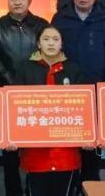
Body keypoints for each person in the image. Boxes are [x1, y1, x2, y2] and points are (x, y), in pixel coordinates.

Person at [50, 0, 105, 189]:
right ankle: (70, 187)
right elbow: (52, 52)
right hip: (67, 92)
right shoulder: (60, 19)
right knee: (68, 142)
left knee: (91, 146)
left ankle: (90, 186)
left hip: (95, 91)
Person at [0, 0, 48, 196]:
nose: (17, 2)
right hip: (7, 92)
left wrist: (30, 80)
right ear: (7, 0)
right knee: (10, 150)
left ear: (30, 0)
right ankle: (12, 191)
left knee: (34, 146)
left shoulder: (41, 24)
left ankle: (32, 189)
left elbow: (47, 53)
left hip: (35, 92)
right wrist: (11, 80)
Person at [13, 25, 84, 196]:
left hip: (66, 149)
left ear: (62, 43)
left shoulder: (73, 69)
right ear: (38, 43)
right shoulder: (25, 68)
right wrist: (12, 136)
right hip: (35, 149)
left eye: (55, 39)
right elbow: (14, 106)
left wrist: (88, 136)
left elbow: (84, 108)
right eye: (46, 39)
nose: (51, 43)